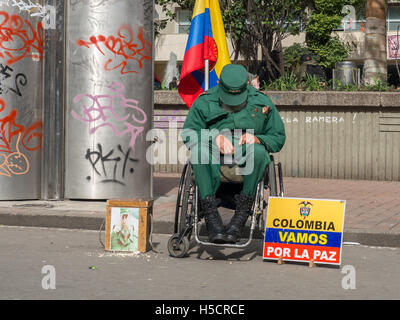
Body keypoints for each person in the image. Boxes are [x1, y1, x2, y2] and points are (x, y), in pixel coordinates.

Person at [181, 64, 286, 244]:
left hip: (247, 151)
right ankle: (211, 217)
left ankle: (241, 217)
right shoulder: (204, 101)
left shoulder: (262, 102)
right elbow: (188, 134)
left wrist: (258, 139)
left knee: (260, 153)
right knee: (198, 152)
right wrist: (215, 138)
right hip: (213, 151)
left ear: (246, 85)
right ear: (220, 86)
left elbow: (277, 137)